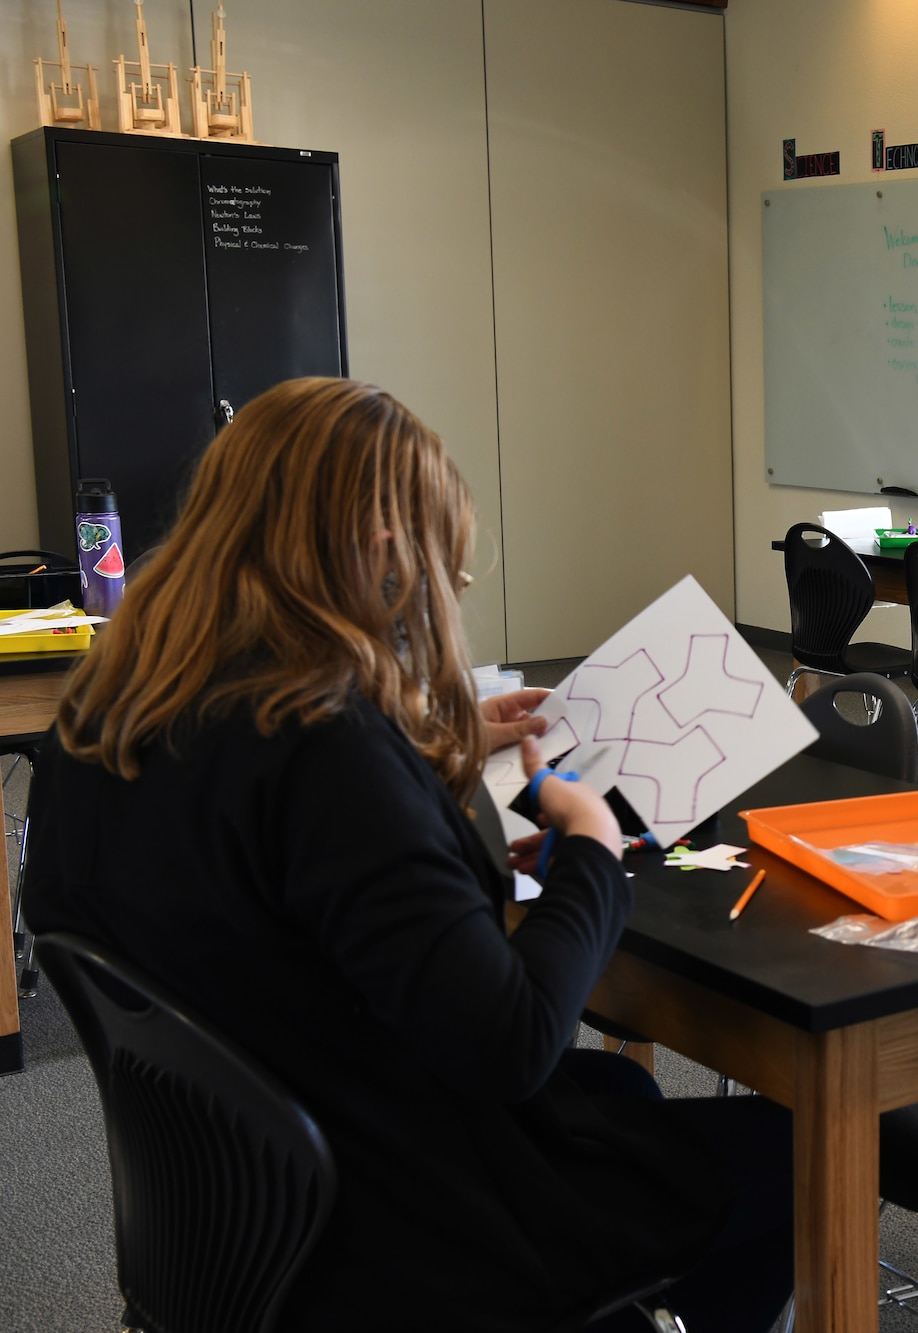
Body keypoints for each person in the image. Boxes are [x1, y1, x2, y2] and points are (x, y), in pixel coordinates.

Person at [23, 378, 791, 1333]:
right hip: (404, 1231)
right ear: (385, 549)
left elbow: (271, 858)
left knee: (622, 1088)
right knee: (790, 1154)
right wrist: (592, 847)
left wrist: (428, 736)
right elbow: (511, 1040)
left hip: (247, 1211)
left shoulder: (104, 720)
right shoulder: (324, 753)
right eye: (444, 566)